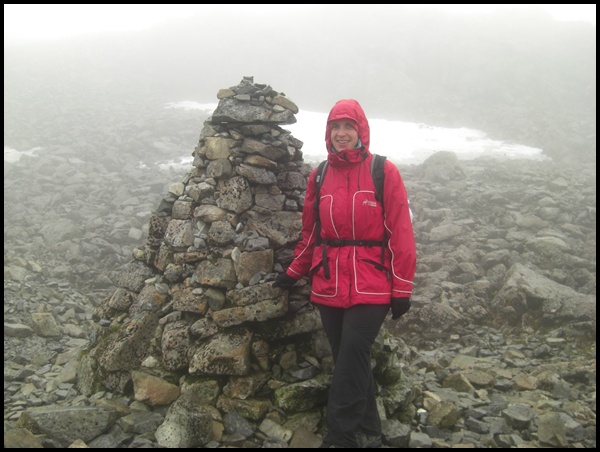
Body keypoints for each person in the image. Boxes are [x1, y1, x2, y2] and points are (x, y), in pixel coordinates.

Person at [273, 99, 416, 448]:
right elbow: (311, 233)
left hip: (372, 282)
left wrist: (402, 288)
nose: (341, 133)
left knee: (352, 350)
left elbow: (401, 233)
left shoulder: (384, 171)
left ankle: (341, 436)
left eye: (348, 127)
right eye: (335, 127)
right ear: (328, 132)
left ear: (361, 131)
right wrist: (294, 271)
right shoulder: (319, 175)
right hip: (328, 283)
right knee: (348, 358)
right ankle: (370, 426)